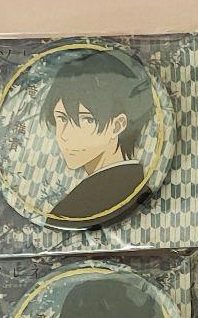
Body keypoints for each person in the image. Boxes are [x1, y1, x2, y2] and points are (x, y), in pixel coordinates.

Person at [40, 49, 154, 230]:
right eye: (62, 118)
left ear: (118, 125)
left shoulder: (74, 209)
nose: (65, 135)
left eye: (86, 119)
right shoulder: (134, 182)